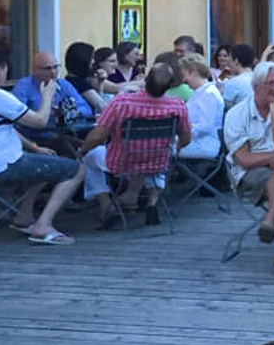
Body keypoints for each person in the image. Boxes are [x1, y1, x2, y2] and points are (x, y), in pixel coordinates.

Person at [0, 51, 84, 245]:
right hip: (5, 165)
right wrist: (47, 96)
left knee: (44, 163)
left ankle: (23, 216)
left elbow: (1, 128)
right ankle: (43, 225)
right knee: (77, 169)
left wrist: (34, 147)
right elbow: (39, 122)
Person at [80, 64, 191, 226]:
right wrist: (176, 146)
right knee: (161, 151)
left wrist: (82, 149)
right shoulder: (177, 105)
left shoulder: (122, 103)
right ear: (170, 85)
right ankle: (152, 203)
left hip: (121, 162)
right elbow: (186, 138)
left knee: (90, 156)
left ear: (145, 80)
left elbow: (98, 136)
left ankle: (105, 204)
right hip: (157, 162)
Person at [224, 62, 274, 271]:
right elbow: (243, 158)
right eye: (271, 83)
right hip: (248, 173)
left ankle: (270, 221)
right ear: (256, 86)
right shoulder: (236, 114)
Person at [12, 50, 94, 154]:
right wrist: (43, 110)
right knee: (71, 153)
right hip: (32, 140)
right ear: (35, 70)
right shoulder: (24, 86)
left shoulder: (63, 85)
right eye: (47, 68)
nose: (53, 72)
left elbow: (86, 109)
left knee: (90, 149)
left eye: (56, 67)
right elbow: (16, 118)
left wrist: (70, 113)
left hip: (60, 135)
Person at [177, 55, 224, 160]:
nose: (183, 80)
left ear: (193, 72)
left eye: (184, 75)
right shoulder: (200, 92)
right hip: (195, 141)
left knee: (163, 150)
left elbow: (205, 126)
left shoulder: (209, 94)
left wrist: (183, 132)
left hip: (204, 145)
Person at [65, 42, 108, 114]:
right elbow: (101, 106)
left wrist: (100, 83)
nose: (93, 61)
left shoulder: (69, 79)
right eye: (91, 58)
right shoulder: (79, 83)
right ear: (83, 60)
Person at [220, 44, 257, 108]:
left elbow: (224, 106)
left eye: (230, 60)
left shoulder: (234, 82)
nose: (229, 64)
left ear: (236, 61)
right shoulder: (258, 79)